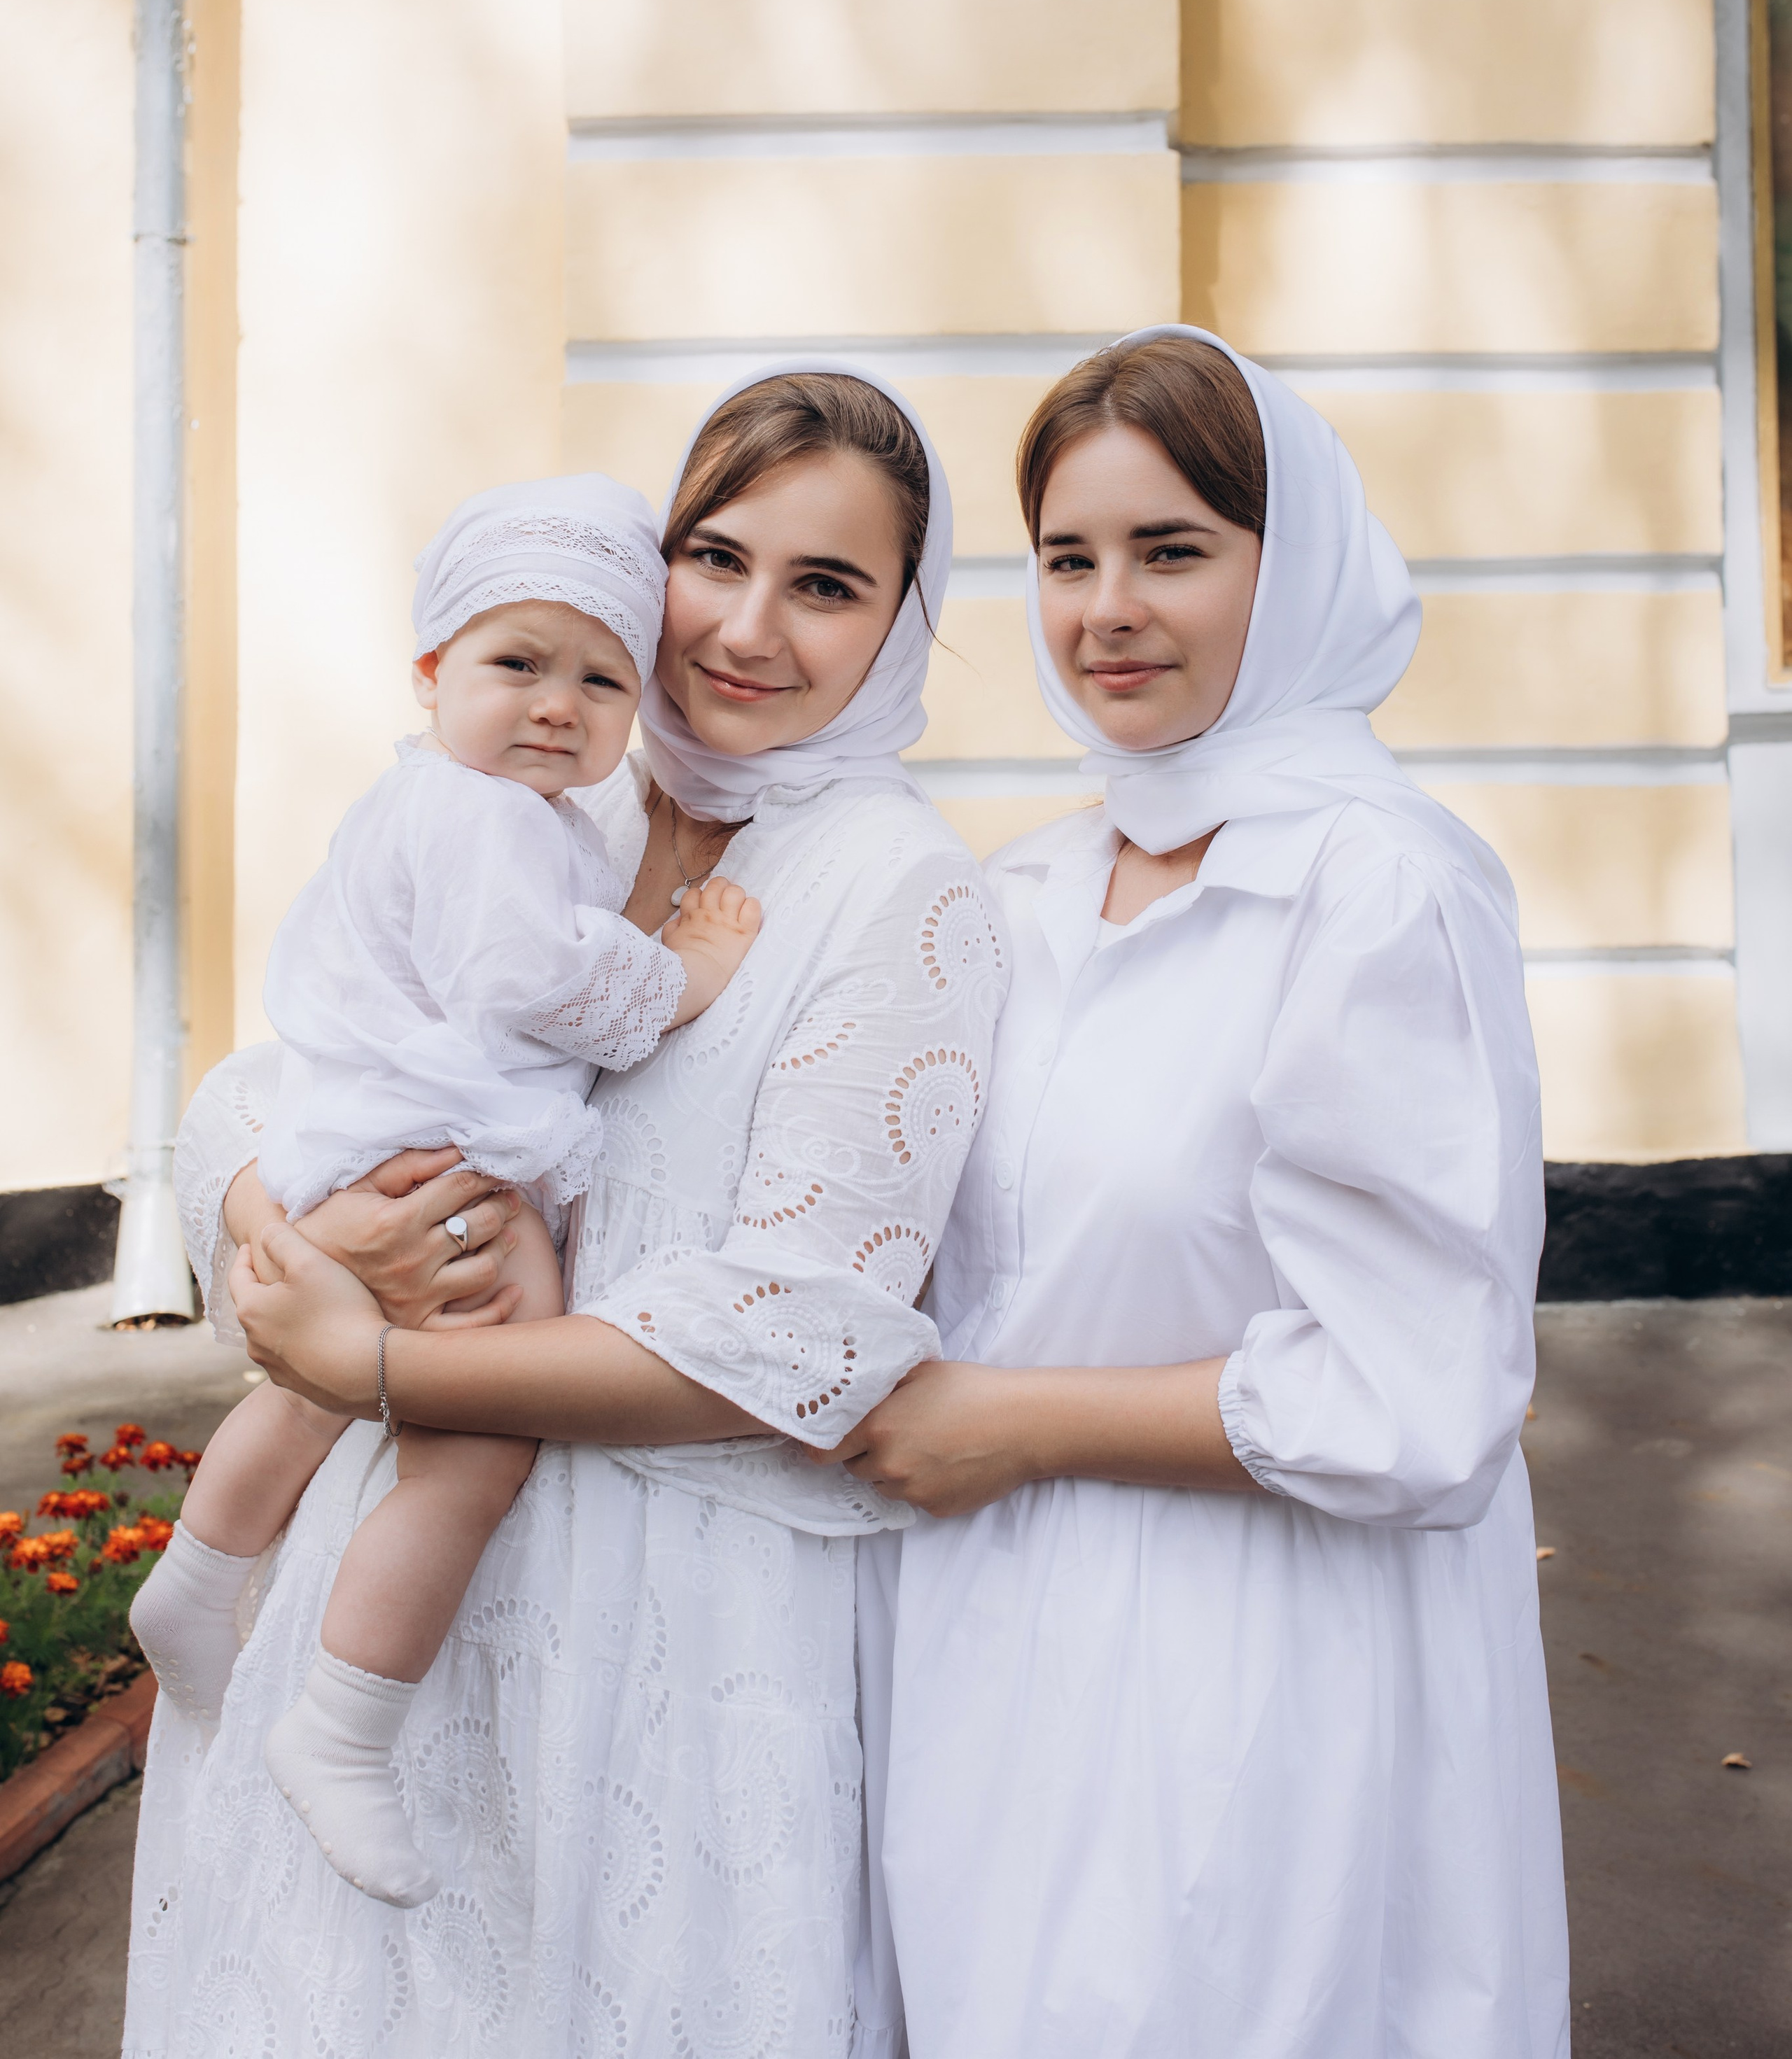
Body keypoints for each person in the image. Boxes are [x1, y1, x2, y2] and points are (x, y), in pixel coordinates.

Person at [124, 367, 1005, 2059]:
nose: (746, 628)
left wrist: (377, 1368)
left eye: (825, 586)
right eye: (714, 556)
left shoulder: (894, 891)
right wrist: (313, 1236)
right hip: (380, 1604)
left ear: (901, 626)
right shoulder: (551, 785)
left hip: (661, 1628)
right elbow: (272, 1074)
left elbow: (799, 1337)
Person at [836, 328, 1571, 2059]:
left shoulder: (1374, 888)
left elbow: (1415, 1396)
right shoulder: (1024, 891)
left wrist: (1013, 1423)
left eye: (1171, 551)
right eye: (1067, 557)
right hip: (986, 1651)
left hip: (1259, 1672)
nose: (1104, 610)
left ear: (1289, 563)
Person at [129, 475, 760, 1909]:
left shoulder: (442, 798)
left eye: (601, 678)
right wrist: (685, 975)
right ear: (430, 672)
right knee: (476, 1437)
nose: (557, 706)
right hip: (440, 1149)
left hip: (355, 1137)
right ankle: (342, 1727)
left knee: (308, 1384)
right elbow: (530, 976)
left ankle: (198, 1578)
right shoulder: (488, 820)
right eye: (515, 664)